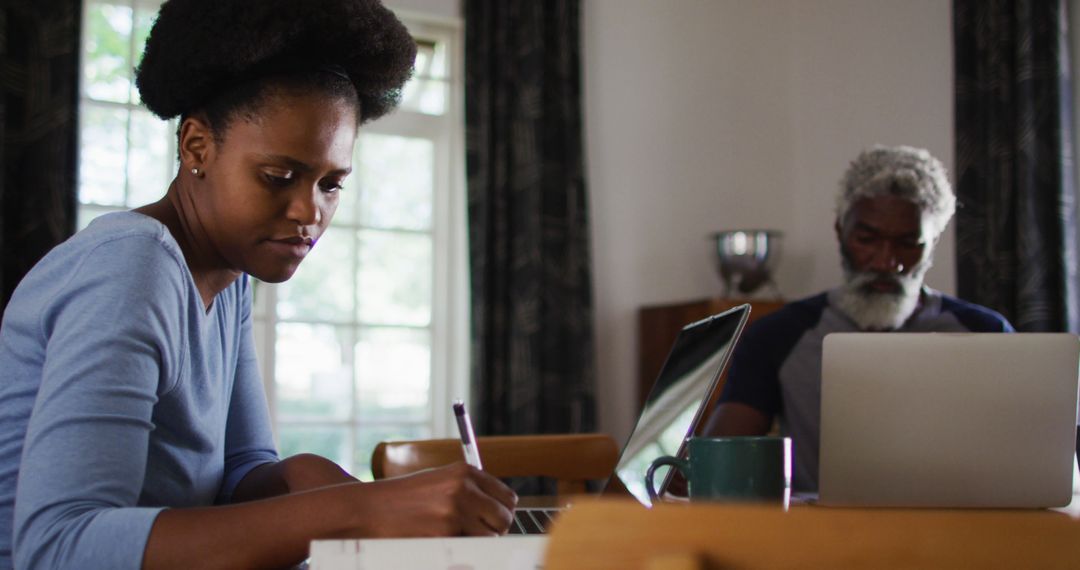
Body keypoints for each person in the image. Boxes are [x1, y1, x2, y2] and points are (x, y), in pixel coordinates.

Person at [0, 1, 517, 568]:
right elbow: (56, 546)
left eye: (331, 184)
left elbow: (242, 473)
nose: (308, 211)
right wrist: (356, 513)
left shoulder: (226, 279)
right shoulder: (132, 268)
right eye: (278, 177)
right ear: (197, 146)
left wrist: (360, 496)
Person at [703, 145, 1014, 494]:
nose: (886, 262)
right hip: (823, 536)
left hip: (959, 531)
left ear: (933, 242)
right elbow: (719, 461)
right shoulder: (777, 336)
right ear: (840, 230)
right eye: (867, 239)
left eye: (908, 243)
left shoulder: (985, 333)